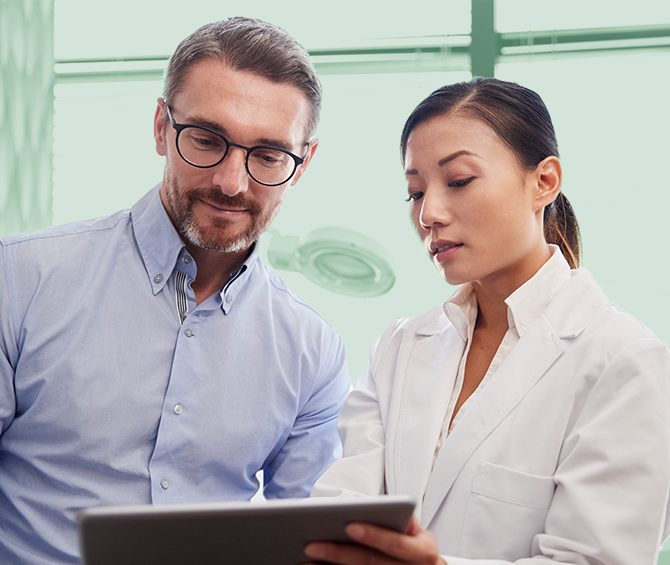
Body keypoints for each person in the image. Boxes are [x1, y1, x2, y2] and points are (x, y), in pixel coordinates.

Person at [0, 17, 350, 565]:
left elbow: (316, 547)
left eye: (267, 155)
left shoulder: (314, 350)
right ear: (162, 127)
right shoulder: (18, 280)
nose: (232, 182)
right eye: (208, 140)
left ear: (302, 164)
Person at [305, 77, 670, 565]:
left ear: (544, 182)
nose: (429, 214)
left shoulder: (624, 363)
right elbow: (340, 523)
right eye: (415, 192)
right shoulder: (397, 348)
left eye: (458, 181)